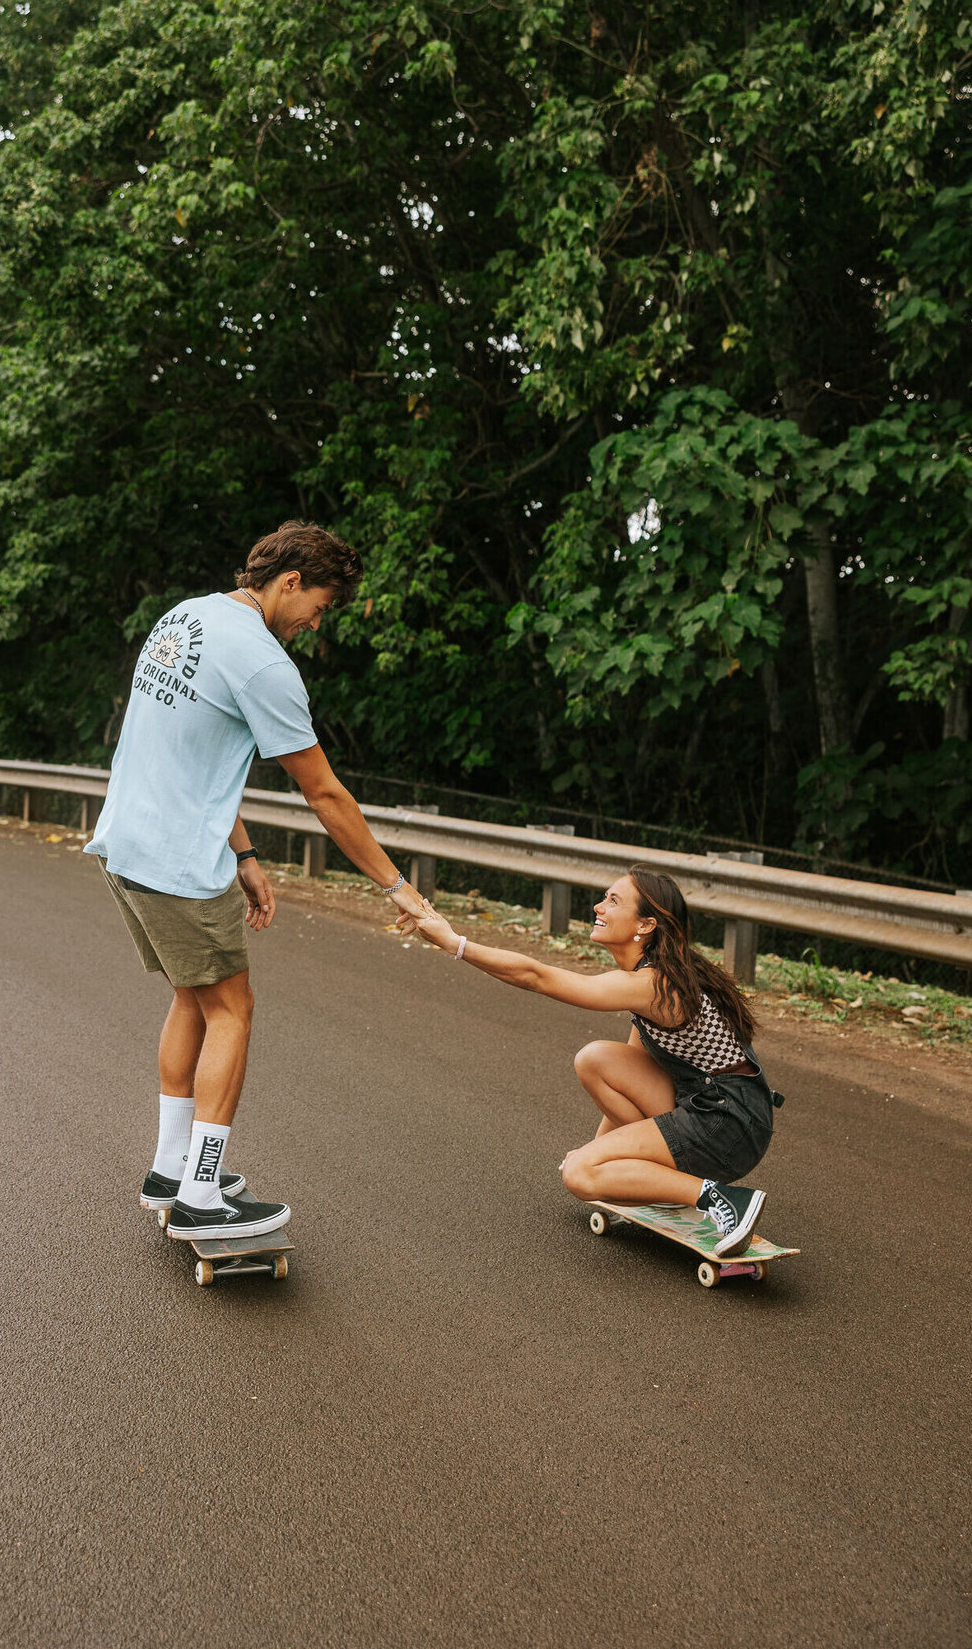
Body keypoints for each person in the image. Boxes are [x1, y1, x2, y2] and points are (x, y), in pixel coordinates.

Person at [85, 520, 425, 1240]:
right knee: (232, 1010)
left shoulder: (187, 615)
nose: (316, 623)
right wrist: (398, 888)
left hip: (128, 845)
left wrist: (242, 854)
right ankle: (202, 1196)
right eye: (320, 606)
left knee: (192, 998)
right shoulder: (264, 663)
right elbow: (326, 794)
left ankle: (171, 1169)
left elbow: (195, 753)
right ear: (291, 581)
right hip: (176, 863)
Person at [406, 866, 783, 1256]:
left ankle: (728, 1202)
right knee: (597, 1060)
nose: (598, 906)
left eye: (614, 901)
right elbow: (633, 1067)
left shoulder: (654, 985)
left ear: (646, 925)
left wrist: (455, 944)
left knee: (581, 1173)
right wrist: (604, 1149)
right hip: (719, 1106)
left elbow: (535, 976)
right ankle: (665, 1183)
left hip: (728, 1125)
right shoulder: (653, 976)